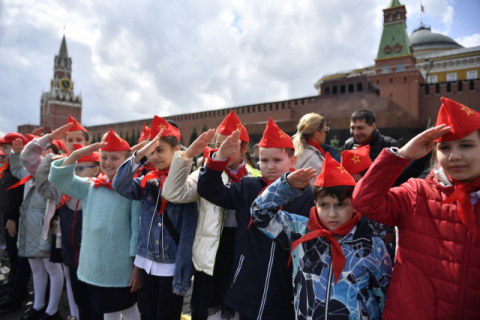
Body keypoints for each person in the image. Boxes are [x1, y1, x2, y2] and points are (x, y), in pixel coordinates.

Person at [351, 97, 480, 319]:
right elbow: (365, 201)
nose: (454, 156)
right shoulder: (417, 192)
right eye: (444, 147)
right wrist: (402, 155)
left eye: (466, 145)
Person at [197, 118, 314, 320]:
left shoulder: (307, 196)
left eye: (277, 160)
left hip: (286, 288)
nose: (269, 166)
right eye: (264, 160)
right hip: (248, 285)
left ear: (292, 161)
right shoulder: (248, 187)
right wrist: (220, 157)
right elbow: (209, 189)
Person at [251, 152, 392, 319]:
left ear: (354, 206)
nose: (332, 214)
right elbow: (259, 213)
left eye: (340, 205)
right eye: (324, 205)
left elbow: (386, 296)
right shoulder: (299, 231)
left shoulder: (372, 244)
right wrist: (286, 186)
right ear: (315, 203)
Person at [162, 110, 261, 320]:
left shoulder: (257, 177)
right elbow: (172, 193)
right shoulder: (206, 175)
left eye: (229, 145)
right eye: (218, 144)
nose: (221, 149)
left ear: (244, 148)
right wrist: (188, 155)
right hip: (212, 255)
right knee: (209, 312)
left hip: (243, 250)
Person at [49, 129, 142, 320]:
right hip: (96, 267)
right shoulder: (90, 187)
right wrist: (76, 154)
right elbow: (58, 178)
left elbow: (136, 231)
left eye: (114, 158)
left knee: (128, 308)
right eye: (104, 157)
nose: (108, 162)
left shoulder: (132, 191)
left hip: (121, 267)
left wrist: (137, 267)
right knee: (107, 310)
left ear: (127, 162)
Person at [113, 116, 198, 320]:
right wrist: (140, 155)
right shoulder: (147, 182)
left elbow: (188, 233)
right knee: (149, 315)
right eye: (153, 152)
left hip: (171, 268)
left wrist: (182, 277)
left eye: (160, 150)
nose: (155, 157)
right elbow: (119, 185)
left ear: (177, 150)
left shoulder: (188, 185)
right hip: (148, 264)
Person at [33, 124, 103, 320]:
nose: (75, 173)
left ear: (96, 169)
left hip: (94, 261)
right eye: (73, 168)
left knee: (96, 305)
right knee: (81, 302)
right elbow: (42, 184)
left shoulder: (100, 192)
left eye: (80, 168)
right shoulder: (62, 190)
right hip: (71, 258)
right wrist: (49, 162)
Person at [9, 137, 64, 320]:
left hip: (45, 231)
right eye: (41, 151)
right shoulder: (30, 174)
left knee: (53, 270)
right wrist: (16, 153)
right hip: (29, 230)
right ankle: (38, 305)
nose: (43, 155)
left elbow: (55, 208)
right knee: (37, 270)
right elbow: (17, 168)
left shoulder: (54, 177)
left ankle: (52, 310)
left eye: (48, 151)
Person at [341, 145, 397, 263]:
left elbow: (388, 255)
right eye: (346, 183)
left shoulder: (382, 207)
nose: (352, 188)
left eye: (356, 182)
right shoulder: (341, 208)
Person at [0, 133, 32, 311]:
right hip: (11, 216)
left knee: (19, 257)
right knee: (15, 256)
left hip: (16, 217)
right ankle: (13, 286)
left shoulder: (18, 167)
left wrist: (11, 218)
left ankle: (16, 293)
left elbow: (16, 194)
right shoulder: (11, 165)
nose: (3, 151)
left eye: (5, 147)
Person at [292, 113, 329, 186]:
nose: (326, 133)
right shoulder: (315, 160)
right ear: (316, 134)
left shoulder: (292, 153)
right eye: (326, 130)